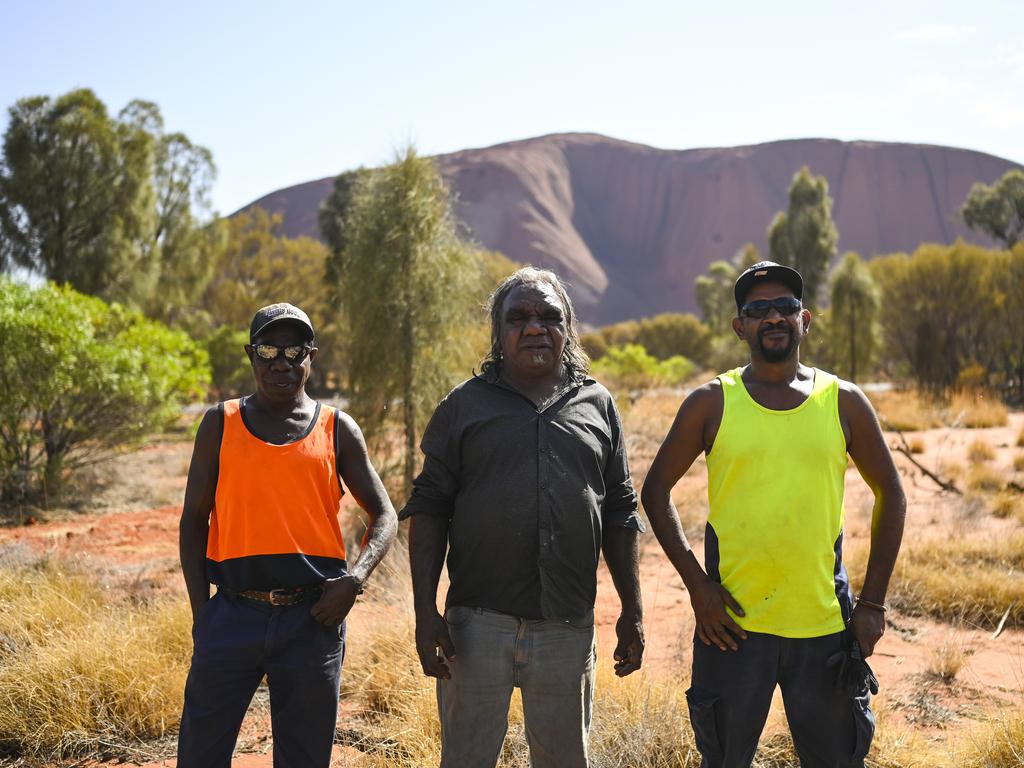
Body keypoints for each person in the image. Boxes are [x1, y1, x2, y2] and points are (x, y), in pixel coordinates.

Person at [642, 262, 906, 768]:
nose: (772, 318)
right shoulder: (711, 403)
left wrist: (872, 604)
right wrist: (699, 588)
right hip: (733, 629)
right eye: (757, 309)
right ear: (739, 326)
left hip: (826, 628)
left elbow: (891, 495)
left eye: (784, 307)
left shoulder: (844, 402)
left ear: (805, 319)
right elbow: (655, 491)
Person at [400, 267, 645, 768]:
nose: (534, 327)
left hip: (567, 626)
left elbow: (620, 511)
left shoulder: (598, 405)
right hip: (475, 626)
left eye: (548, 316)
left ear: (567, 328)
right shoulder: (463, 407)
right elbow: (428, 510)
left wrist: (633, 611)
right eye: (519, 318)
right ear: (499, 331)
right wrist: (426, 614)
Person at [177, 302, 398, 768]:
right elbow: (193, 520)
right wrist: (204, 616)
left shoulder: (338, 429)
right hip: (231, 615)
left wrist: (354, 581)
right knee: (200, 756)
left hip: (311, 621)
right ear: (250, 355)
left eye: (294, 349)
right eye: (268, 349)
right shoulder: (221, 423)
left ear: (311, 355)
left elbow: (384, 514)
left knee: (304, 759)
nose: (281, 361)